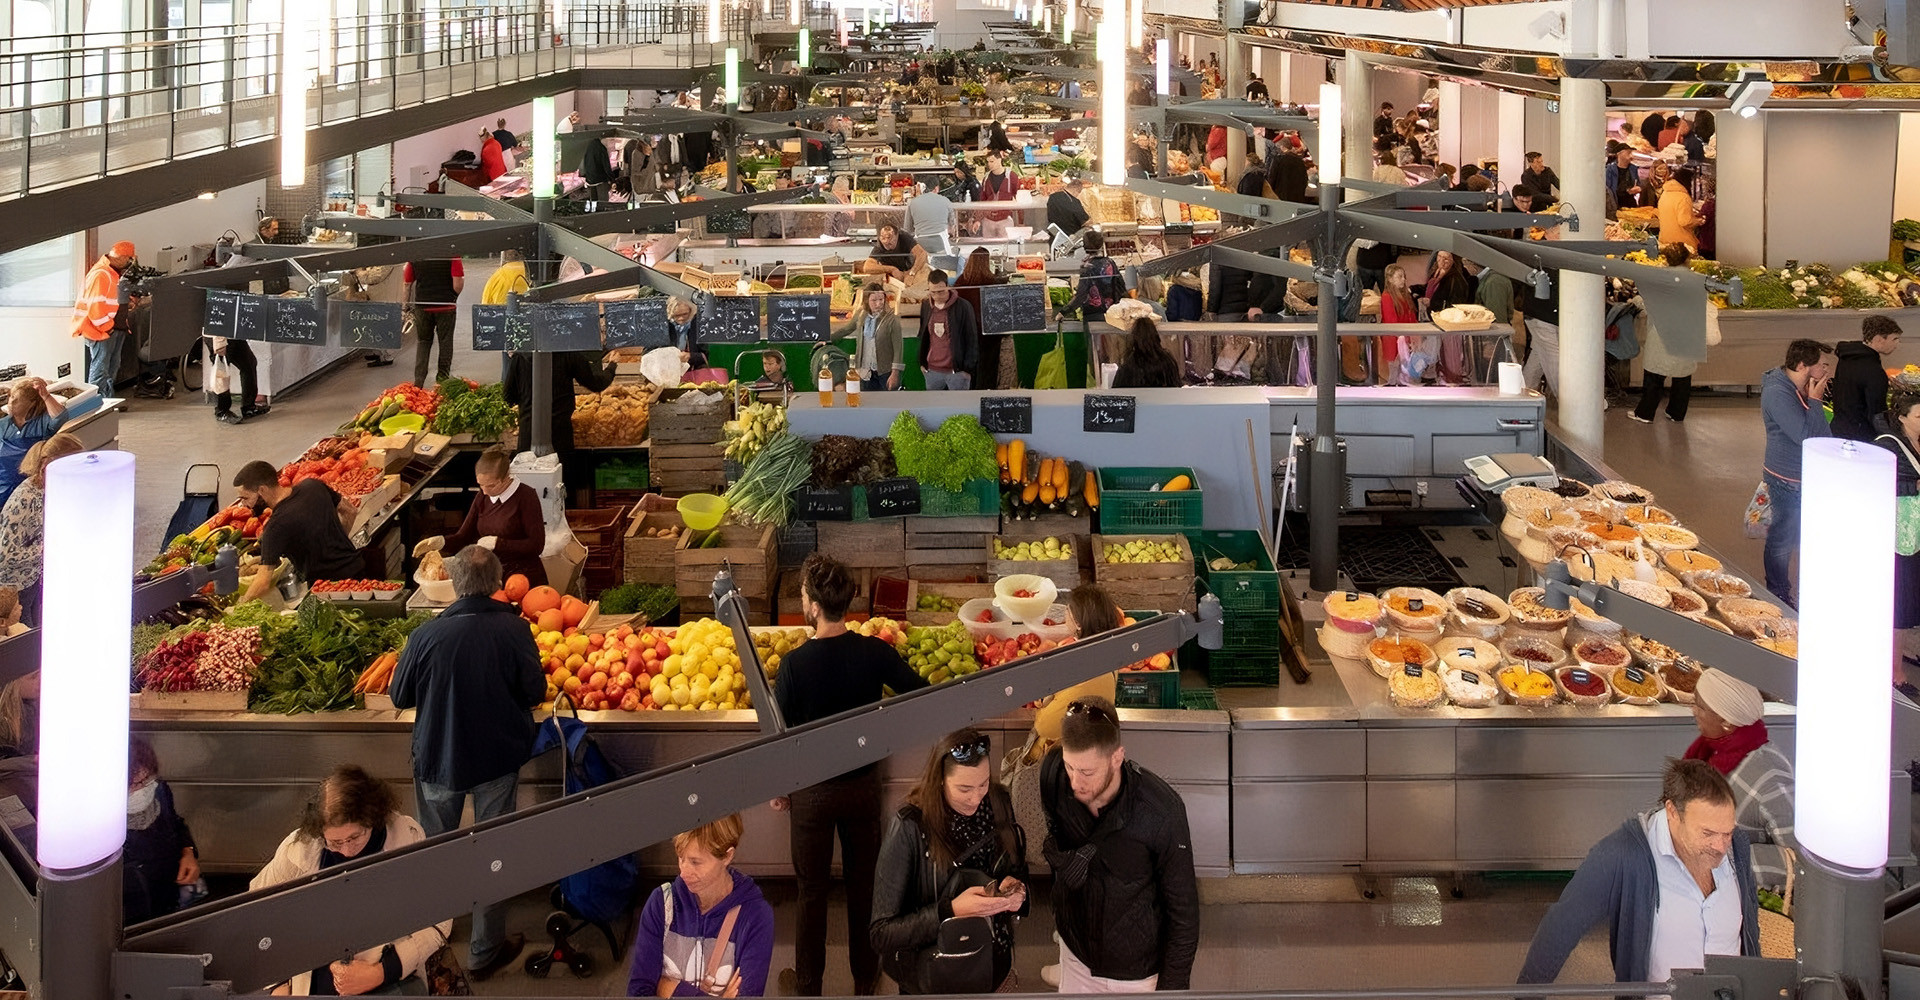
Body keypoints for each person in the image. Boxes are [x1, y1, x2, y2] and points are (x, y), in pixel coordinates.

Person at [771, 555, 929, 996]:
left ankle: (808, 985)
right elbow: (921, 694)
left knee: (811, 892)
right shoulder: (875, 652)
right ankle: (865, 978)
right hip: (862, 787)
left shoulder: (794, 665)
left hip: (812, 793)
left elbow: (780, 736)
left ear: (814, 606)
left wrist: (781, 788)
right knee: (865, 888)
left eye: (803, 595)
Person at [389, 546, 544, 980]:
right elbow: (534, 691)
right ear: (497, 583)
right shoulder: (515, 630)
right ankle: (483, 952)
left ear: (454, 584)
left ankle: (431, 944)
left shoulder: (426, 635)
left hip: (439, 759)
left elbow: (399, 696)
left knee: (436, 853)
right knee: (492, 855)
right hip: (496, 759)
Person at [1518, 758, 1759, 984]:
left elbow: (1749, 933)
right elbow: (1561, 927)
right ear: (1673, 813)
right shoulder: (1621, 854)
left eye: (1726, 832)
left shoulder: (1737, 847)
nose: (1720, 846)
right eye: (1707, 834)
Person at [1041, 697, 1198, 992]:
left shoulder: (1161, 811)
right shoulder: (1053, 776)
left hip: (1136, 973)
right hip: (1075, 957)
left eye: (1087, 772)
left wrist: (1173, 990)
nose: (1075, 782)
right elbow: (1055, 830)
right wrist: (1062, 864)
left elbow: (1184, 915)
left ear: (1117, 757)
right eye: (1070, 767)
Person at [253, 765, 453, 995]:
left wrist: (381, 972)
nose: (347, 851)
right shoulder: (298, 850)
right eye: (335, 843)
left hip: (386, 978)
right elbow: (259, 911)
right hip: (314, 981)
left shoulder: (407, 839)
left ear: (373, 818)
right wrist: (278, 984)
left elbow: (440, 920)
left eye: (355, 837)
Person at [872, 729, 1030, 994]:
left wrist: (1017, 891)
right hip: (934, 974)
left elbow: (1016, 870)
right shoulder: (909, 826)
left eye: (983, 784)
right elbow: (881, 933)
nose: (976, 798)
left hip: (992, 966)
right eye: (964, 788)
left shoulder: (998, 801)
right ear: (940, 781)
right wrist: (951, 910)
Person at [628, 814, 776, 998]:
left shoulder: (756, 916)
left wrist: (670, 987)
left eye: (695, 862)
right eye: (681, 858)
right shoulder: (660, 903)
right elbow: (638, 993)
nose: (683, 872)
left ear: (727, 856)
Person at [1683, 668, 1795, 892]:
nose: (1693, 711)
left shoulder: (1770, 777)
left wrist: (1724, 862)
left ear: (1726, 721)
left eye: (1700, 707)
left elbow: (1800, 859)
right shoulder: (1709, 751)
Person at [1760, 339, 1835, 606]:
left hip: (1806, 476)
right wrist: (1815, 401)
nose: (1827, 371)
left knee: (1799, 536)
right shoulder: (1778, 393)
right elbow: (1804, 435)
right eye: (1822, 365)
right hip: (1788, 478)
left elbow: (1820, 432)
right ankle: (1777, 592)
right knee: (1782, 540)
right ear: (1803, 365)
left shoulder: (1799, 387)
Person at [415, 445, 548, 587]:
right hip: (491, 575)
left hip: (523, 576)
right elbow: (463, 537)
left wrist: (499, 543)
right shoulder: (482, 497)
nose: (484, 491)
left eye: (491, 486)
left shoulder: (526, 497)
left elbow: (536, 545)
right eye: (480, 485)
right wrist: (441, 542)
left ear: (506, 478)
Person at [233, 460, 367, 602]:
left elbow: (263, 582)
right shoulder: (313, 485)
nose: (244, 504)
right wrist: (336, 542)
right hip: (358, 570)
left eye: (245, 498)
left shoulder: (275, 526)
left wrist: (242, 603)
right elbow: (350, 511)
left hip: (330, 591)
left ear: (262, 491)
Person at [0, 433, 82, 627]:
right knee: (25, 638)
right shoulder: (25, 499)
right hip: (13, 588)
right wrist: (48, 549)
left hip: (32, 579)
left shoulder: (48, 490)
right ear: (48, 467)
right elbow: (5, 554)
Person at [123, 737, 200, 926]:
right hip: (134, 911)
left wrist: (188, 853)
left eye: (147, 779)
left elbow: (176, 824)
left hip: (173, 891)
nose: (143, 789)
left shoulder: (160, 791)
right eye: (134, 784)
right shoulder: (101, 824)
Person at [505, 347, 616, 456]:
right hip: (560, 435)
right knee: (560, 472)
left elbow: (509, 397)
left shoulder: (519, 357)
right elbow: (596, 384)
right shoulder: (570, 354)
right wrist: (612, 365)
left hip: (528, 436)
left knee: (528, 473)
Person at [72, 240, 138, 399]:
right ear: (122, 258)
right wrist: (107, 328)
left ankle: (107, 401)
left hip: (114, 328)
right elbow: (96, 307)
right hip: (102, 331)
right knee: (100, 369)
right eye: (129, 260)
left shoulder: (112, 273)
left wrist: (128, 302)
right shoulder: (101, 274)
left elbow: (111, 298)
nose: (130, 264)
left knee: (111, 367)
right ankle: (94, 403)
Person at [1877, 391, 1920, 629]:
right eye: (1919, 416)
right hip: (1902, 529)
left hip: (1915, 527)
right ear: (1902, 417)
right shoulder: (1888, 445)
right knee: (1902, 590)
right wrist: (1913, 485)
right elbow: (1877, 481)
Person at [1830, 314, 1903, 441]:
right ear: (1879, 339)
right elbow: (1877, 413)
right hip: (1860, 437)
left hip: (1839, 429)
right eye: (1894, 339)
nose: (1897, 344)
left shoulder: (1847, 357)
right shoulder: (1873, 371)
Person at [0, 379, 67, 509]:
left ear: (32, 403)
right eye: (11, 397)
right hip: (4, 486)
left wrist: (45, 395)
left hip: (32, 485)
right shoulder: (3, 425)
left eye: (17, 399)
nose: (11, 402)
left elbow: (61, 416)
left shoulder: (42, 423)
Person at [405, 257, 465, 389]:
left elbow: (407, 283)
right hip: (445, 306)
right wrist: (452, 296)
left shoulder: (415, 256)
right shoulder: (452, 255)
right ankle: (442, 381)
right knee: (445, 342)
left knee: (424, 342)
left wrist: (405, 306)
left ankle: (418, 382)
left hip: (422, 306)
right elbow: (457, 284)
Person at [833, 288, 905, 392]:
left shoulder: (892, 319)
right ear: (867, 301)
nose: (878, 303)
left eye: (881, 299)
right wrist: (827, 339)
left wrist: (895, 373)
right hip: (865, 370)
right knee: (867, 401)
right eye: (874, 300)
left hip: (885, 371)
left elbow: (898, 348)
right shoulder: (861, 315)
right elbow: (846, 329)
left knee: (887, 402)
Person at [918, 271, 980, 390]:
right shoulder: (926, 305)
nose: (937, 296)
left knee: (958, 406)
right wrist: (922, 362)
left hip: (957, 371)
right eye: (933, 292)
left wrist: (967, 369)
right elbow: (923, 334)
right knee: (934, 405)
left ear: (948, 287)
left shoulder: (963, 306)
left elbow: (971, 339)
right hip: (932, 370)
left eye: (941, 292)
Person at [1518, 265, 1563, 396]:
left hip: (1540, 314)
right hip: (1544, 316)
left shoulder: (1538, 259)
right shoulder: (1544, 260)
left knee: (1538, 357)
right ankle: (1569, 404)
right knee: (1553, 359)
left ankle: (1522, 396)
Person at [1378, 263, 1420, 385]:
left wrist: (1415, 335)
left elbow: (1411, 315)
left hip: (1406, 337)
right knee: (1394, 374)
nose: (1404, 279)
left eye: (1404, 276)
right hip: (1394, 340)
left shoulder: (1405, 294)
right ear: (1390, 279)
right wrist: (1407, 337)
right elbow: (1392, 322)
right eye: (1400, 277)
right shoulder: (1386, 296)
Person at [1111, 317, 1182, 389]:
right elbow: (1176, 387)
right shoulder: (1167, 360)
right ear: (1156, 335)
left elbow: (1117, 392)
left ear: (1134, 337)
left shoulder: (1129, 364)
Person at [904, 182, 956, 257]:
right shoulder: (946, 200)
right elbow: (952, 227)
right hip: (941, 245)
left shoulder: (912, 202)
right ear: (936, 188)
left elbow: (907, 230)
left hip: (920, 246)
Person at [861, 224, 928, 281]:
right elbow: (867, 267)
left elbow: (922, 253)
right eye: (884, 243)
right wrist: (892, 269)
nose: (887, 245)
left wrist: (912, 272)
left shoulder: (903, 236)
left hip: (911, 269)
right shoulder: (880, 246)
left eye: (890, 243)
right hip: (892, 277)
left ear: (897, 237)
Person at [1659, 167, 1704, 251]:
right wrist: (1698, 221)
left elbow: (1671, 213)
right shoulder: (1683, 197)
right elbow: (1684, 221)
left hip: (1665, 239)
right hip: (1682, 244)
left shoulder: (1665, 193)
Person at [977, 152, 1019, 239]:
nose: (989, 164)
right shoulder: (986, 178)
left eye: (992, 161)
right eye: (988, 162)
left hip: (1005, 219)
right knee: (988, 247)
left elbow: (1018, 197)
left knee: (1006, 246)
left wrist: (1021, 222)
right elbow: (982, 199)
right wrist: (978, 219)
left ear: (1000, 159)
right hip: (988, 220)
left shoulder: (1012, 177)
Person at [667, 297, 708, 369]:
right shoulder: (665, 327)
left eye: (685, 314)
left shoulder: (700, 325)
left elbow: (708, 355)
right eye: (676, 315)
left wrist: (690, 356)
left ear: (691, 311)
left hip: (695, 371)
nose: (681, 318)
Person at [1606, 141, 1641, 210]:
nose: (1631, 156)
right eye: (1628, 153)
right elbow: (1608, 189)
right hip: (1616, 203)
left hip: (1630, 203)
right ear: (1619, 154)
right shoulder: (1610, 170)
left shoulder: (1633, 168)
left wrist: (1638, 188)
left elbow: (1638, 183)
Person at [581, 136, 618, 202]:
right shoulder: (601, 148)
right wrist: (612, 178)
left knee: (593, 201)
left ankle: (594, 211)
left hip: (590, 179)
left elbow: (584, 163)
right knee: (603, 201)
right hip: (600, 179)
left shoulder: (588, 147)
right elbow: (606, 165)